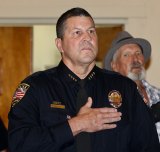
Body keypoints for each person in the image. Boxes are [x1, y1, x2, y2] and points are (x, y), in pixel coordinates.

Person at [8, 7, 160, 152]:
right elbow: (19, 144)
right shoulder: (36, 87)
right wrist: (76, 125)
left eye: (91, 31)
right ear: (59, 44)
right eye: (77, 32)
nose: (87, 38)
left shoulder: (124, 87)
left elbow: (148, 145)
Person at [104, 30, 160, 142]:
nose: (135, 59)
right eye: (126, 55)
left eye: (138, 53)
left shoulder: (158, 94)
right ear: (114, 65)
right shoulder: (110, 100)